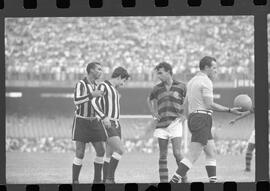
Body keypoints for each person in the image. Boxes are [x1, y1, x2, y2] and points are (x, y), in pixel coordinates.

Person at [170, 56, 244, 183]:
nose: (216, 70)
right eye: (214, 68)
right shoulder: (206, 82)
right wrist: (230, 110)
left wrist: (189, 118)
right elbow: (209, 104)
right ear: (207, 68)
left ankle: (213, 183)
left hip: (195, 117)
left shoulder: (192, 81)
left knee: (211, 151)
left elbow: (185, 104)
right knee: (193, 154)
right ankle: (173, 182)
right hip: (202, 118)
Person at [147, 62, 188, 183]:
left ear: (169, 72)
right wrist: (153, 112)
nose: (158, 76)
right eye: (157, 73)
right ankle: (164, 182)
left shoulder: (181, 86)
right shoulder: (157, 88)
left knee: (177, 153)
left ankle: (184, 179)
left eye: (160, 73)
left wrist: (184, 114)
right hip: (161, 125)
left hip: (175, 123)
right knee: (162, 155)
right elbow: (148, 99)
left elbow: (188, 99)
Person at [92, 66, 130, 183]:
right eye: (123, 80)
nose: (123, 84)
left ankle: (105, 180)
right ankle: (110, 178)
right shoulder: (104, 86)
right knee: (120, 150)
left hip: (116, 123)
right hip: (108, 123)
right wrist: (104, 117)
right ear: (119, 77)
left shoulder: (114, 89)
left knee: (109, 154)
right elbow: (94, 101)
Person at [72, 62, 107, 184]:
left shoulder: (97, 85)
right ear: (91, 70)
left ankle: (97, 180)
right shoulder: (81, 84)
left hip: (95, 122)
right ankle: (75, 181)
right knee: (80, 152)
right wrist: (92, 95)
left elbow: (97, 104)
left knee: (101, 151)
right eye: (99, 69)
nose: (101, 71)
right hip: (81, 121)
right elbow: (76, 101)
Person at [230, 107, 255, 172]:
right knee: (249, 149)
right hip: (257, 132)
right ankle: (247, 169)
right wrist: (235, 119)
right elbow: (246, 113)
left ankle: (248, 169)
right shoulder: (258, 106)